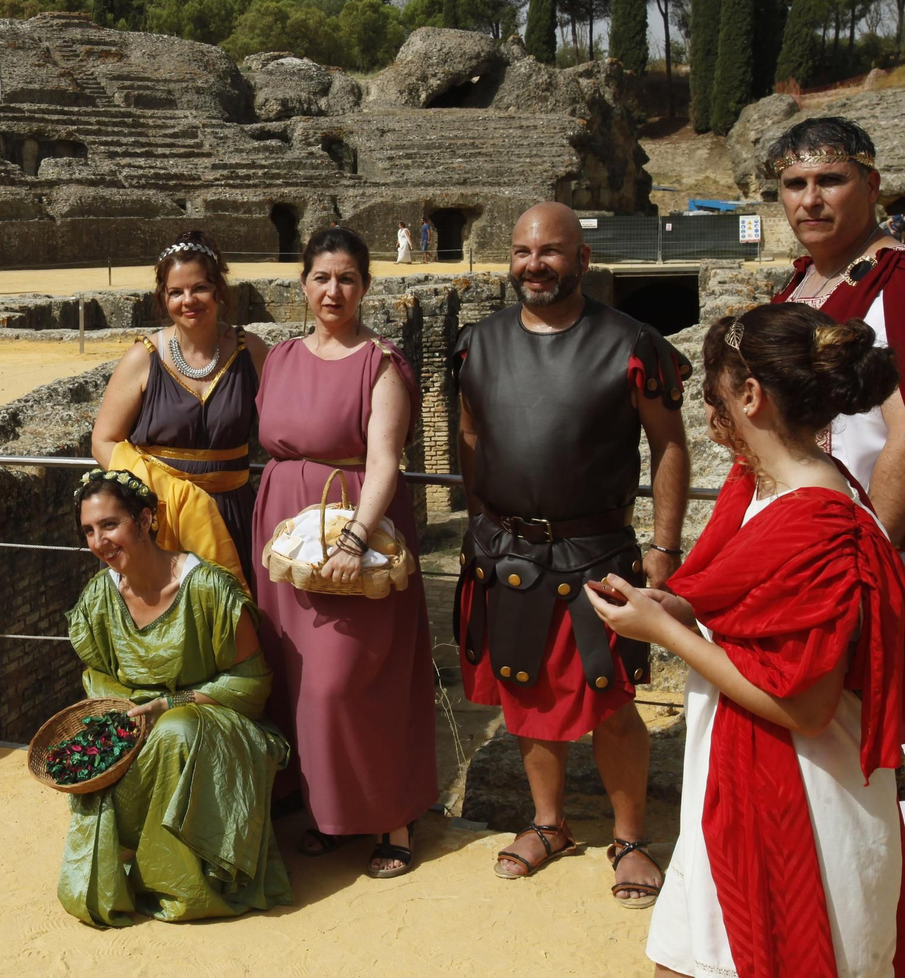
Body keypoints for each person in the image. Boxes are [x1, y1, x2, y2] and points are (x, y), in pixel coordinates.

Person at [590, 302, 904, 978]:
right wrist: (670, 603)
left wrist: (666, 633)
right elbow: (731, 602)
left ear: (753, 397)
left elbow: (806, 707)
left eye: (714, 394)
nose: (707, 413)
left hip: (805, 815)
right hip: (734, 785)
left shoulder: (822, 529)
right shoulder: (759, 487)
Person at [453, 202, 691, 905]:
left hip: (598, 554)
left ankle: (630, 838)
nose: (535, 265)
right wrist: (480, 518)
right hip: (508, 553)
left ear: (582, 260)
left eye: (550, 251)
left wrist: (666, 546)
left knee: (612, 701)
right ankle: (549, 824)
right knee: (525, 692)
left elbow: (669, 445)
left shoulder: (633, 342)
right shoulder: (477, 343)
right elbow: (469, 435)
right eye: (523, 251)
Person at [250, 226, 437, 877]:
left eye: (348, 278)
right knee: (297, 679)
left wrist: (356, 540)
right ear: (303, 283)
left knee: (351, 681)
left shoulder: (379, 362)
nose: (334, 290)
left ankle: (395, 818)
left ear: (364, 287)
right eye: (322, 277)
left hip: (355, 533)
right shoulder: (278, 358)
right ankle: (329, 812)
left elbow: (386, 461)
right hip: (283, 532)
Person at [59, 468, 292, 927]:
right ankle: (135, 861)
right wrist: (129, 712)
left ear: (145, 520)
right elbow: (98, 678)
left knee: (176, 730)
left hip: (220, 722)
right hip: (140, 725)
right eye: (89, 530)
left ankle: (187, 883)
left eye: (110, 524)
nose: (99, 541)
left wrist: (171, 703)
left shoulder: (208, 589)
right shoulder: (98, 599)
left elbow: (251, 683)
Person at [91, 231, 268, 589]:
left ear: (219, 290)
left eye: (199, 288)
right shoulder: (143, 356)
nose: (188, 300)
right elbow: (103, 441)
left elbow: (287, 430)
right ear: (164, 297)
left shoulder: (253, 352)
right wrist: (163, 492)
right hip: (160, 519)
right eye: (176, 292)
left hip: (233, 518)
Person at [767, 117, 905, 544]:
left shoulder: (898, 281)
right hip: (794, 539)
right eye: (794, 184)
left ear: (871, 186)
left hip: (863, 550)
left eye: (830, 180)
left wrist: (870, 548)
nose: (810, 200)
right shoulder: (793, 287)